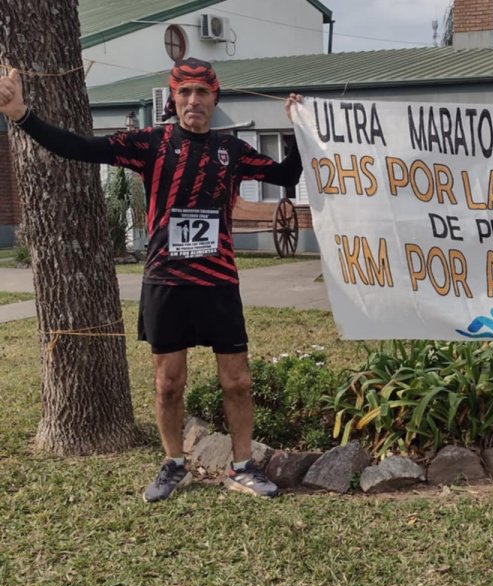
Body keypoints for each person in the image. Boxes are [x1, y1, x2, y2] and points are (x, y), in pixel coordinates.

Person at [0, 58, 303, 501]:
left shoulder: (231, 150)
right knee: (168, 383)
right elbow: (81, 148)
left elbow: (286, 176)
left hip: (218, 282)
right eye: (185, 92)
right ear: (173, 98)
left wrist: (299, 128)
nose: (194, 100)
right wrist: (21, 116)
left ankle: (242, 466)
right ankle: (174, 463)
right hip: (167, 281)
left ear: (214, 98)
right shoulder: (151, 143)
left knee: (237, 381)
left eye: (202, 92)